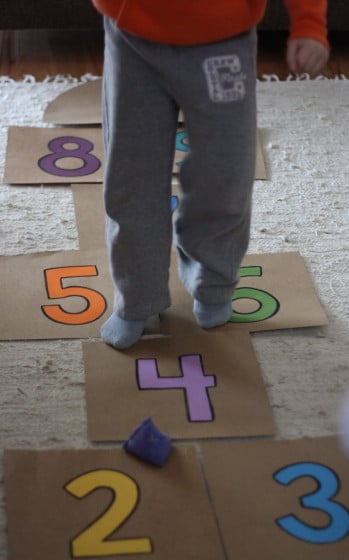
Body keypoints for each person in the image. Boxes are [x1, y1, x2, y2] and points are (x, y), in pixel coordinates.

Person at [92, 0, 329, 349]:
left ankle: (212, 278)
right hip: (133, 34)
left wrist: (308, 22)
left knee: (225, 171)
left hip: (223, 39)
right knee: (132, 176)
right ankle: (136, 295)